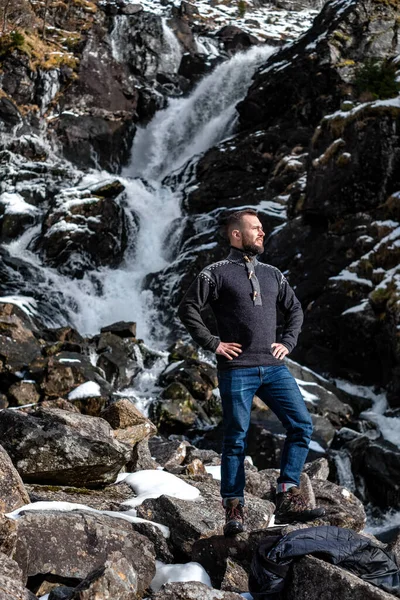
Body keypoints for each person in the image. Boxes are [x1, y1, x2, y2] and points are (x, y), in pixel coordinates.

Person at [178, 209, 325, 536]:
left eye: (261, 228)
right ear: (235, 234)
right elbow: (187, 308)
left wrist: (287, 340)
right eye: (255, 228)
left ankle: (287, 490)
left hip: (274, 368)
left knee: (301, 424)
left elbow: (295, 310)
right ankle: (233, 507)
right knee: (236, 438)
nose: (262, 233)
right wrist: (213, 342)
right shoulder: (215, 272)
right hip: (237, 369)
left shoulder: (273, 274)